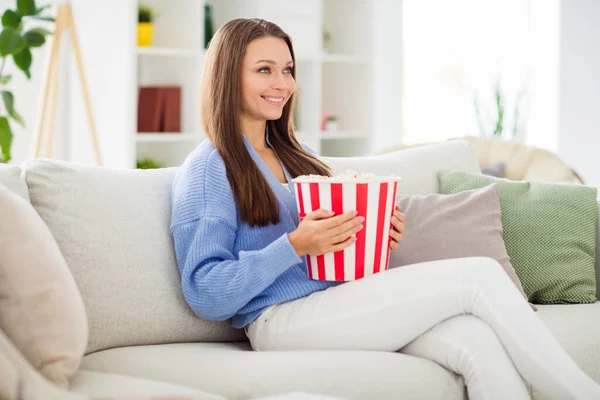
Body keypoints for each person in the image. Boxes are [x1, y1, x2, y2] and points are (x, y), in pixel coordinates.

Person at [170, 18, 600, 400]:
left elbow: (332, 255)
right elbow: (204, 291)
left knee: (477, 341)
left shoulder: (297, 157)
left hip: (335, 304)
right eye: (264, 70)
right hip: (277, 320)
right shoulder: (209, 168)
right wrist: (295, 245)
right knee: (478, 274)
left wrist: (374, 237)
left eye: (287, 70)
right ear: (229, 76)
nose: (281, 83)